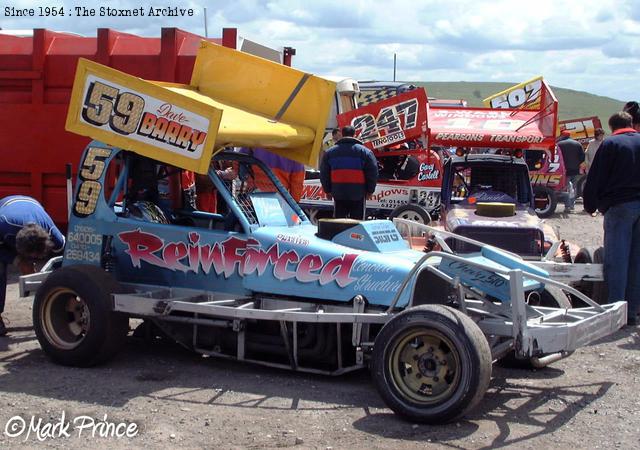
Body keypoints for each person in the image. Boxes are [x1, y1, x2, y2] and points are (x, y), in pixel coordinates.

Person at [583, 111, 640, 326]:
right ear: (631, 124)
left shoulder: (611, 144)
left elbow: (596, 177)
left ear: (612, 127)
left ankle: (615, 313)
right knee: (637, 261)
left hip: (620, 206)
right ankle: (632, 312)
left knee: (617, 260)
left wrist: (590, 204)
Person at [0, 195, 65, 335]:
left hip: (33, 205)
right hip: (7, 206)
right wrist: (19, 261)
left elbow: (66, 255)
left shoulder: (52, 233)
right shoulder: (2, 224)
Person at [320, 125, 378, 220]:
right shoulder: (365, 152)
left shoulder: (330, 153)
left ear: (342, 134)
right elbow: (372, 173)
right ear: (354, 134)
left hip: (338, 193)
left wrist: (327, 190)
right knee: (357, 224)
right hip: (358, 193)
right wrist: (370, 191)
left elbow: (324, 174)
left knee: (339, 223)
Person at [239, 148, 305, 202]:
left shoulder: (257, 138)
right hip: (277, 202)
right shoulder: (295, 149)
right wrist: (294, 203)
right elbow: (297, 184)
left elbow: (237, 160)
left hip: (253, 200)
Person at [557, 130, 585, 213]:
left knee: (565, 188)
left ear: (562, 135)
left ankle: (567, 206)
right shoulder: (577, 144)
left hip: (564, 171)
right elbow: (582, 157)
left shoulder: (559, 144)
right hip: (575, 170)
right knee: (573, 188)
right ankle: (572, 206)